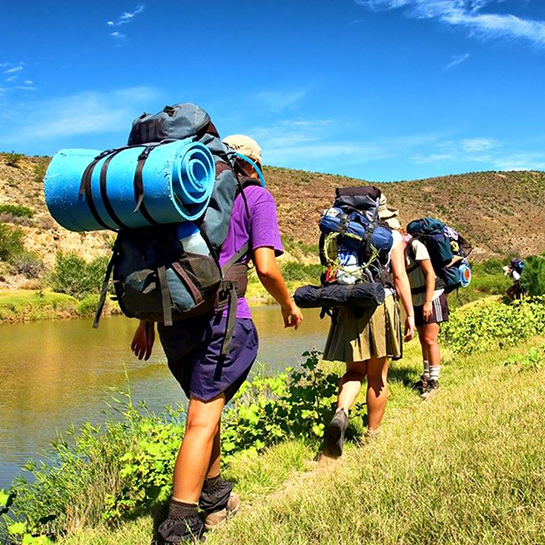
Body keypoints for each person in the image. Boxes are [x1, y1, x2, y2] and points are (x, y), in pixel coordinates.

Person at [130, 134, 303, 543]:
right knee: (201, 419)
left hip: (174, 323)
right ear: (253, 164)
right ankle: (179, 527)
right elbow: (265, 266)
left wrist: (146, 322)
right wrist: (288, 303)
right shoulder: (256, 196)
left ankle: (216, 496)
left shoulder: (179, 196)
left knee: (207, 411)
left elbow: (157, 265)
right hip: (224, 322)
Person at [321, 194, 415, 458]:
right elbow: (399, 277)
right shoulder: (391, 236)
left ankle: (341, 413)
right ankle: (372, 435)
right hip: (380, 304)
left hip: (348, 302)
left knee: (353, 372)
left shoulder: (341, 232)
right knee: (377, 375)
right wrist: (410, 315)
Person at [404, 226, 450, 399]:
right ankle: (426, 377)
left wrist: (427, 302)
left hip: (432, 296)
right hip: (416, 298)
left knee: (430, 340)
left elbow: (430, 274)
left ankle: (434, 382)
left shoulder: (415, 246)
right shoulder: (396, 250)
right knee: (423, 340)